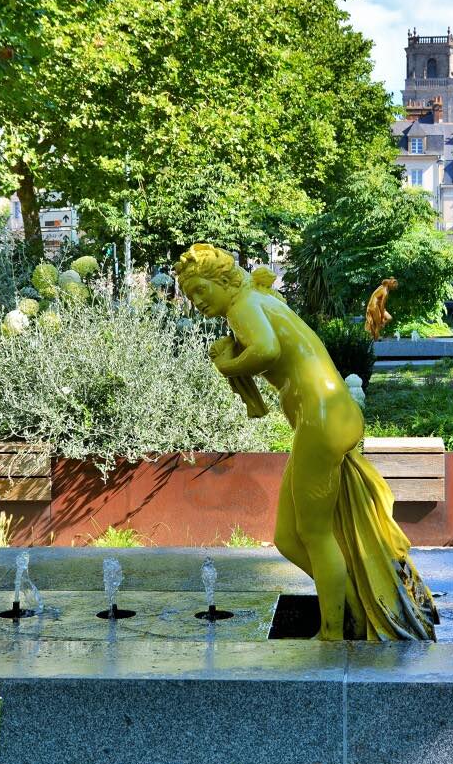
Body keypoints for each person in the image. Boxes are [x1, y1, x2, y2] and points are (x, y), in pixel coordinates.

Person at [173, 243, 438, 641]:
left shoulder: (242, 307)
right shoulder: (256, 297)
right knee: (287, 537)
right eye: (190, 296)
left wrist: (227, 364)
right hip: (326, 418)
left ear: (222, 281)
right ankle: (354, 602)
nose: (197, 303)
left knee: (314, 534)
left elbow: (266, 349)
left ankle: (334, 632)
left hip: (322, 420)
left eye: (201, 291)